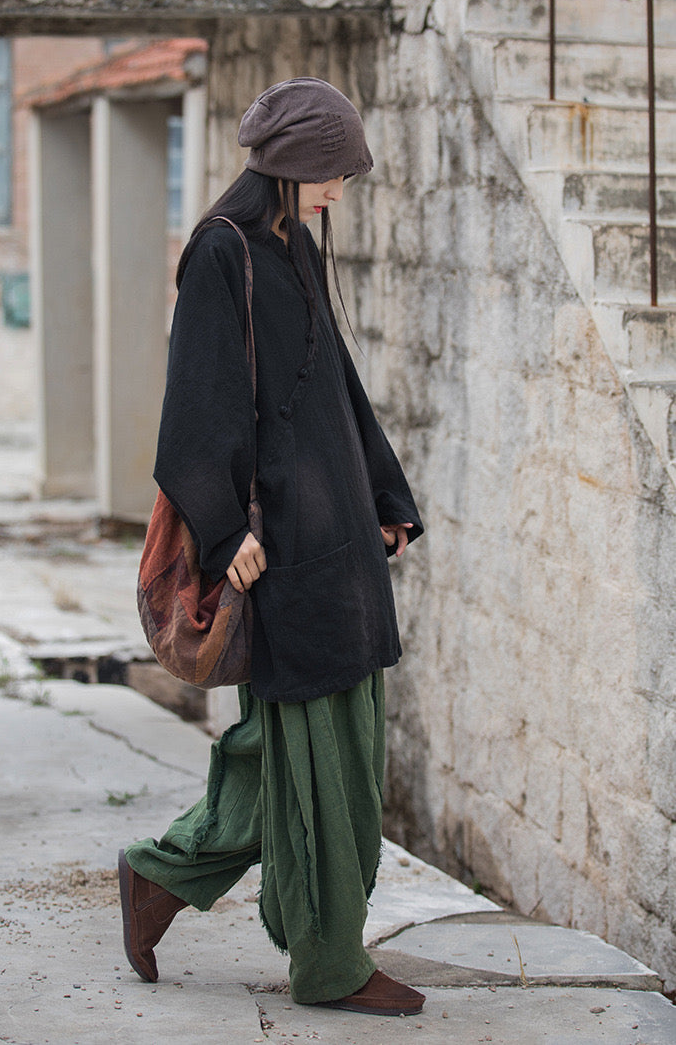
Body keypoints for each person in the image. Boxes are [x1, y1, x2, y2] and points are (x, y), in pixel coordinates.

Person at [118, 77, 425, 1017]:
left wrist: (385, 497)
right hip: (283, 549)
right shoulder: (222, 252)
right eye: (332, 170)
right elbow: (196, 409)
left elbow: (335, 386)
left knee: (315, 747)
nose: (340, 187)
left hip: (342, 541)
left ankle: (162, 874)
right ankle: (329, 965)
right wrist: (225, 536)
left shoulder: (295, 247)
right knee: (318, 761)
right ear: (292, 163)